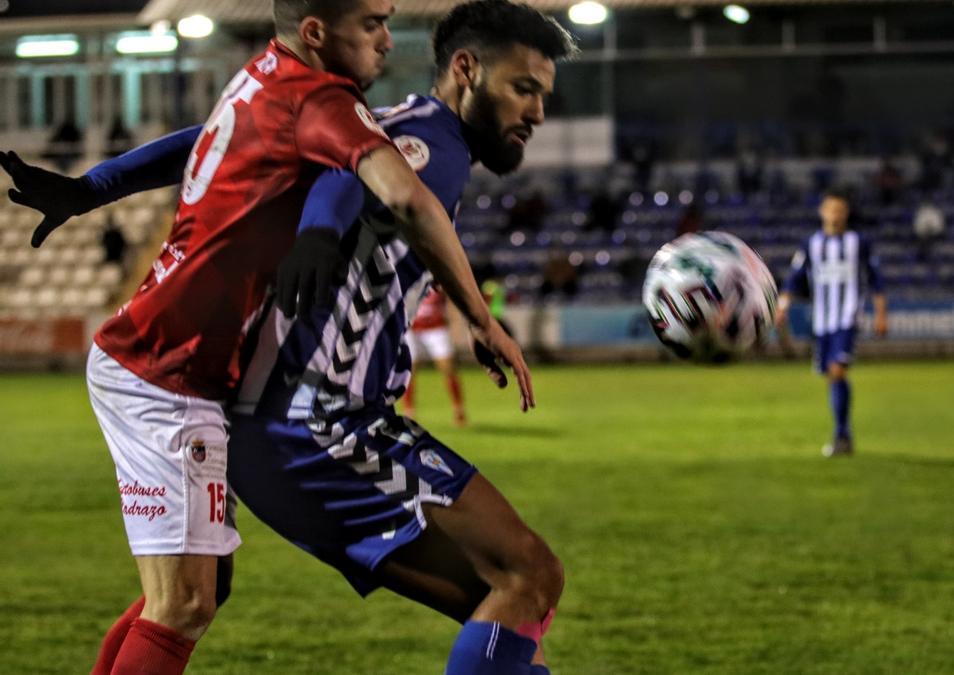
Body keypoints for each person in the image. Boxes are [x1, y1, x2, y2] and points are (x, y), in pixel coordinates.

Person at [15, 2, 572, 673]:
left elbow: (219, 136)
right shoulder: (427, 142)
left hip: (273, 425)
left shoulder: (348, 114)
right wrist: (325, 234)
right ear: (467, 70)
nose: (537, 112)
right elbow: (358, 180)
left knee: (500, 594)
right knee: (528, 576)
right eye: (524, 89)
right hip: (321, 423)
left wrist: (95, 185)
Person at [774, 187, 887, 457]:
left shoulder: (859, 242)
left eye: (840, 210)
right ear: (822, 212)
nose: (835, 215)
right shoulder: (811, 244)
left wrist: (882, 313)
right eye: (831, 209)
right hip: (822, 321)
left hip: (847, 317)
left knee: (837, 370)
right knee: (831, 378)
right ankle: (843, 433)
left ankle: (841, 436)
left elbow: (876, 280)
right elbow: (794, 278)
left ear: (846, 214)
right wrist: (782, 306)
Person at [403, 285, 469, 427]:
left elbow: (451, 300)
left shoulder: (437, 273)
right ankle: (409, 411)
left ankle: (459, 409)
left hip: (436, 326)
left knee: (448, 368)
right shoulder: (408, 273)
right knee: (409, 371)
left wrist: (455, 326)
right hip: (412, 328)